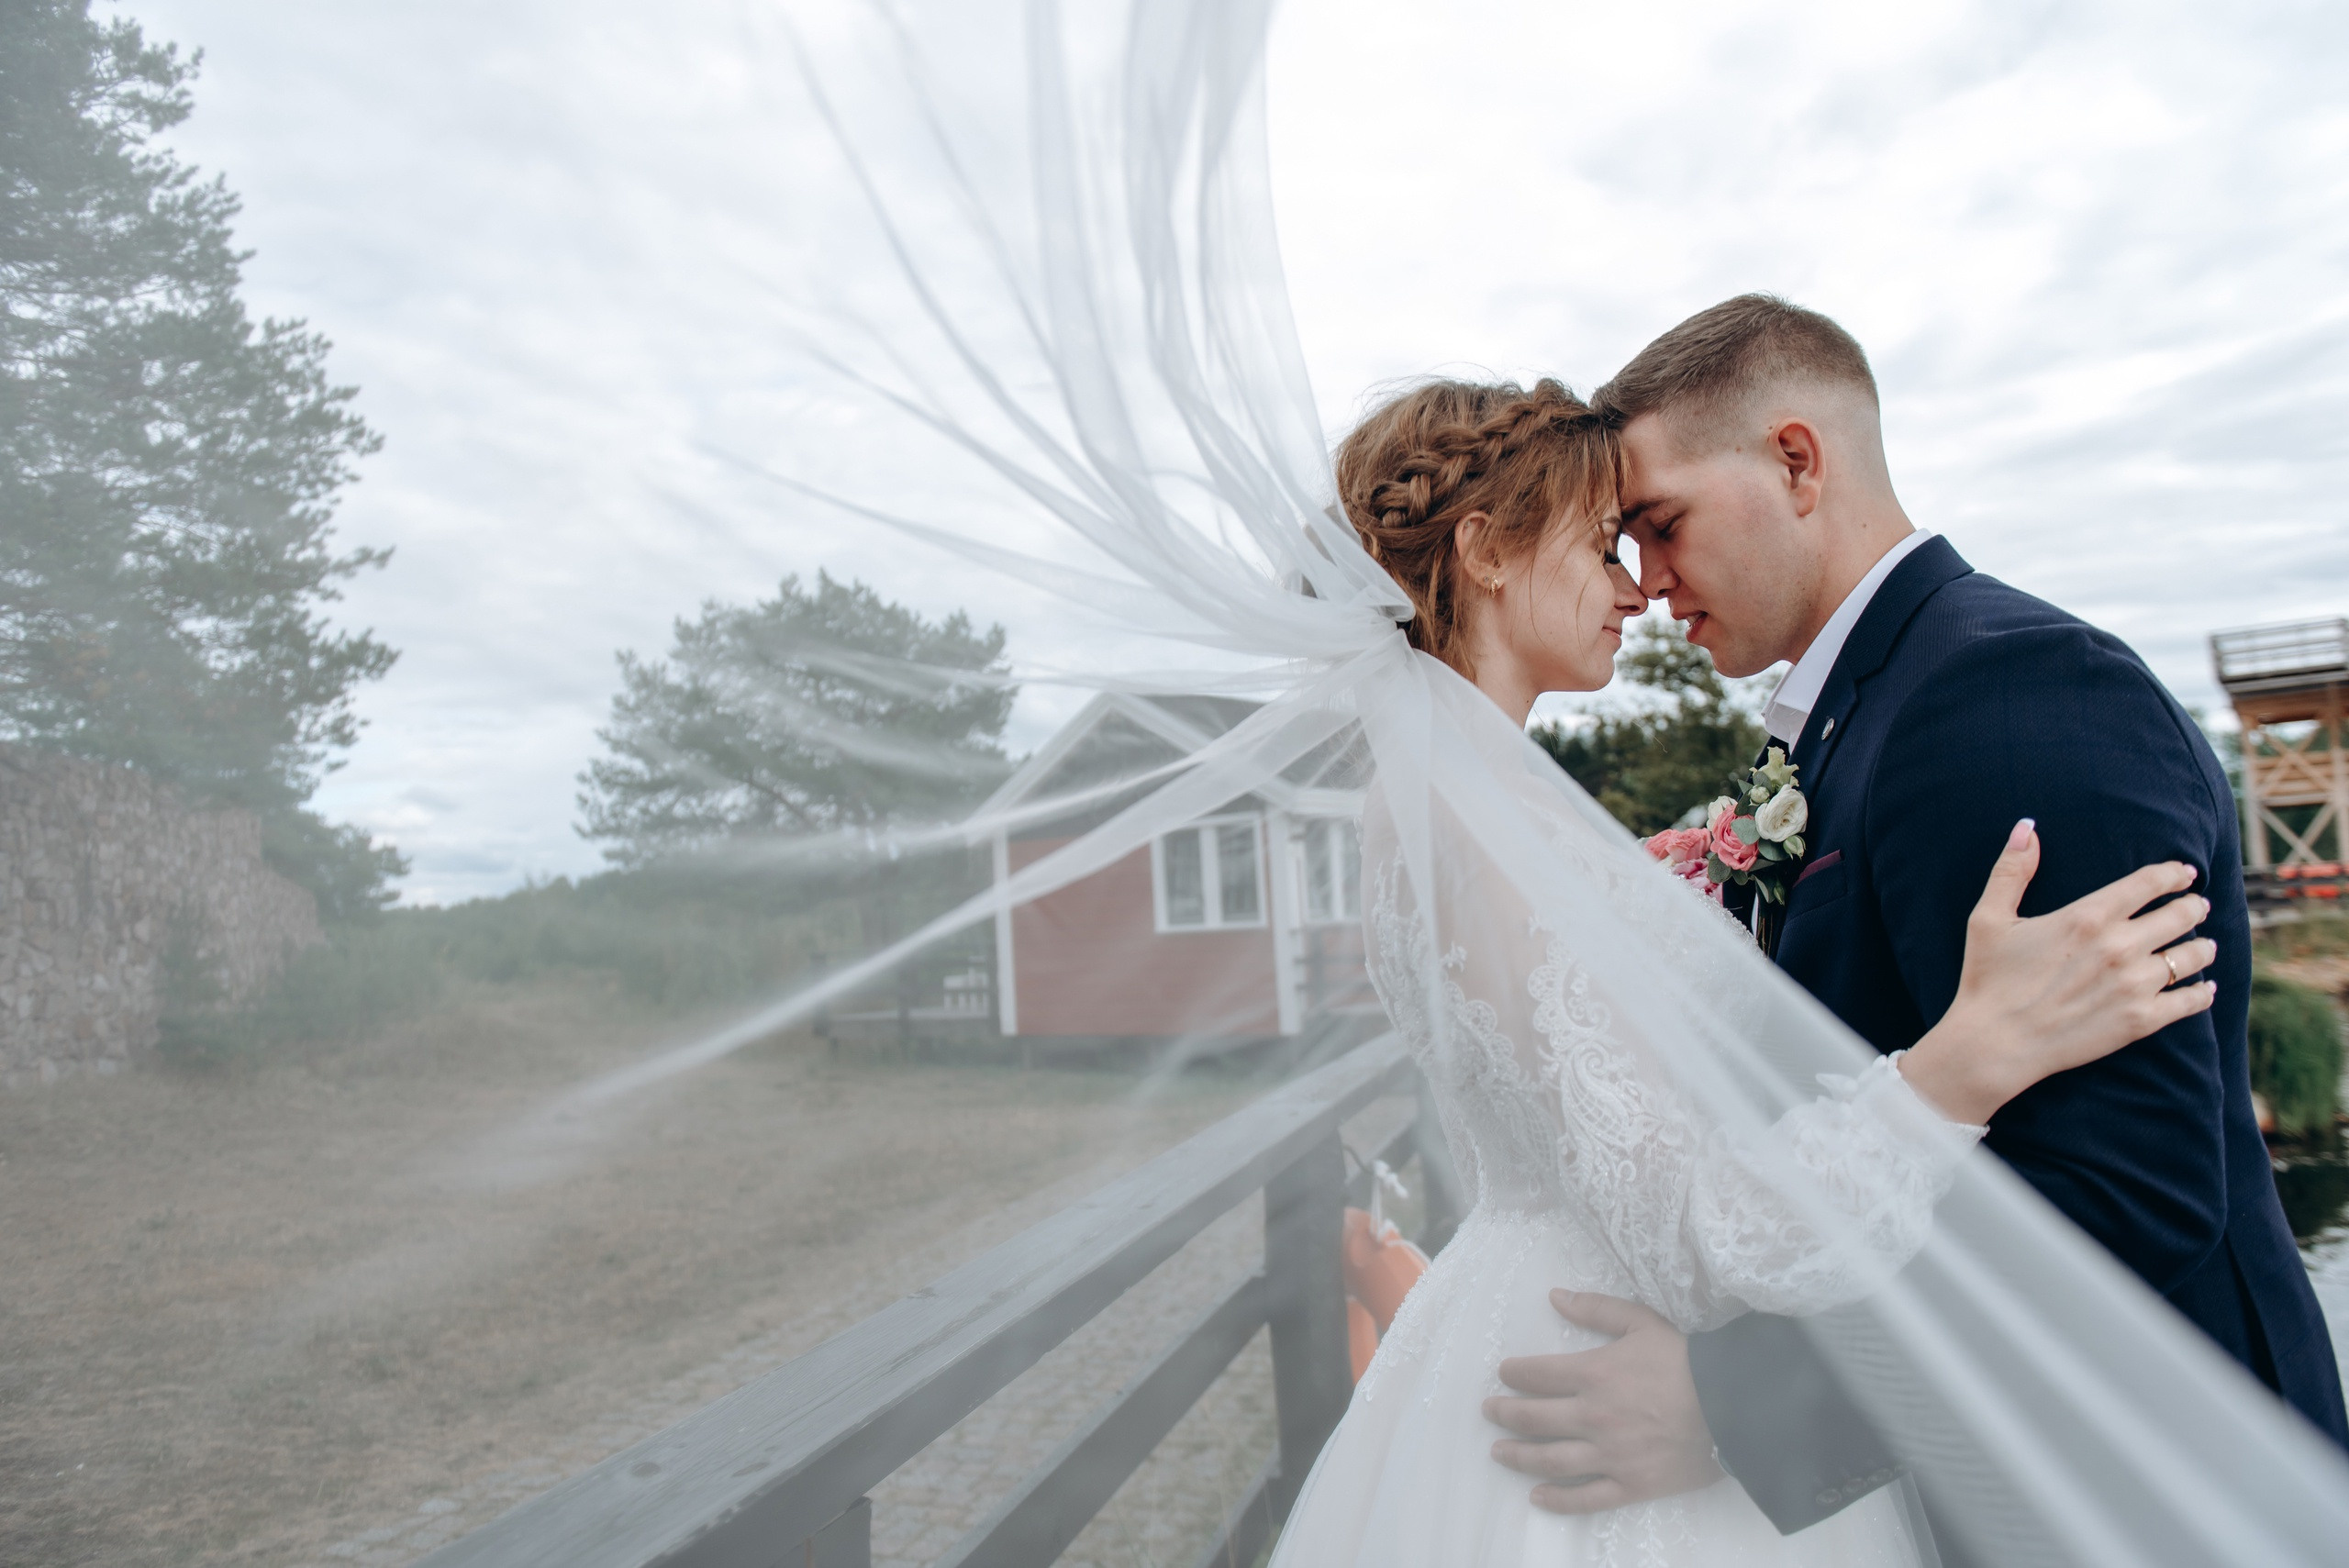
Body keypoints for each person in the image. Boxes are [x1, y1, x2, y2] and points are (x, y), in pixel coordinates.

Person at [1260, 375, 2221, 1566]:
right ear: (1488, 549)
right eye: (1603, 545)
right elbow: (1706, 1237)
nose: (1634, 588)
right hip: (1617, 1385)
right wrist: (1953, 1072)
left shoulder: (1427, 814)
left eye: (1648, 537)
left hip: (1521, 1324)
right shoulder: (1493, 831)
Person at [1481, 297, 2349, 1543]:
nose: (1648, 580)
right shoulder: (1864, 712)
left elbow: (2127, 1190)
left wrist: (1733, 1403)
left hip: (2155, 1502)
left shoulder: (2011, 692)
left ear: (1794, 461)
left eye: (1658, 524)